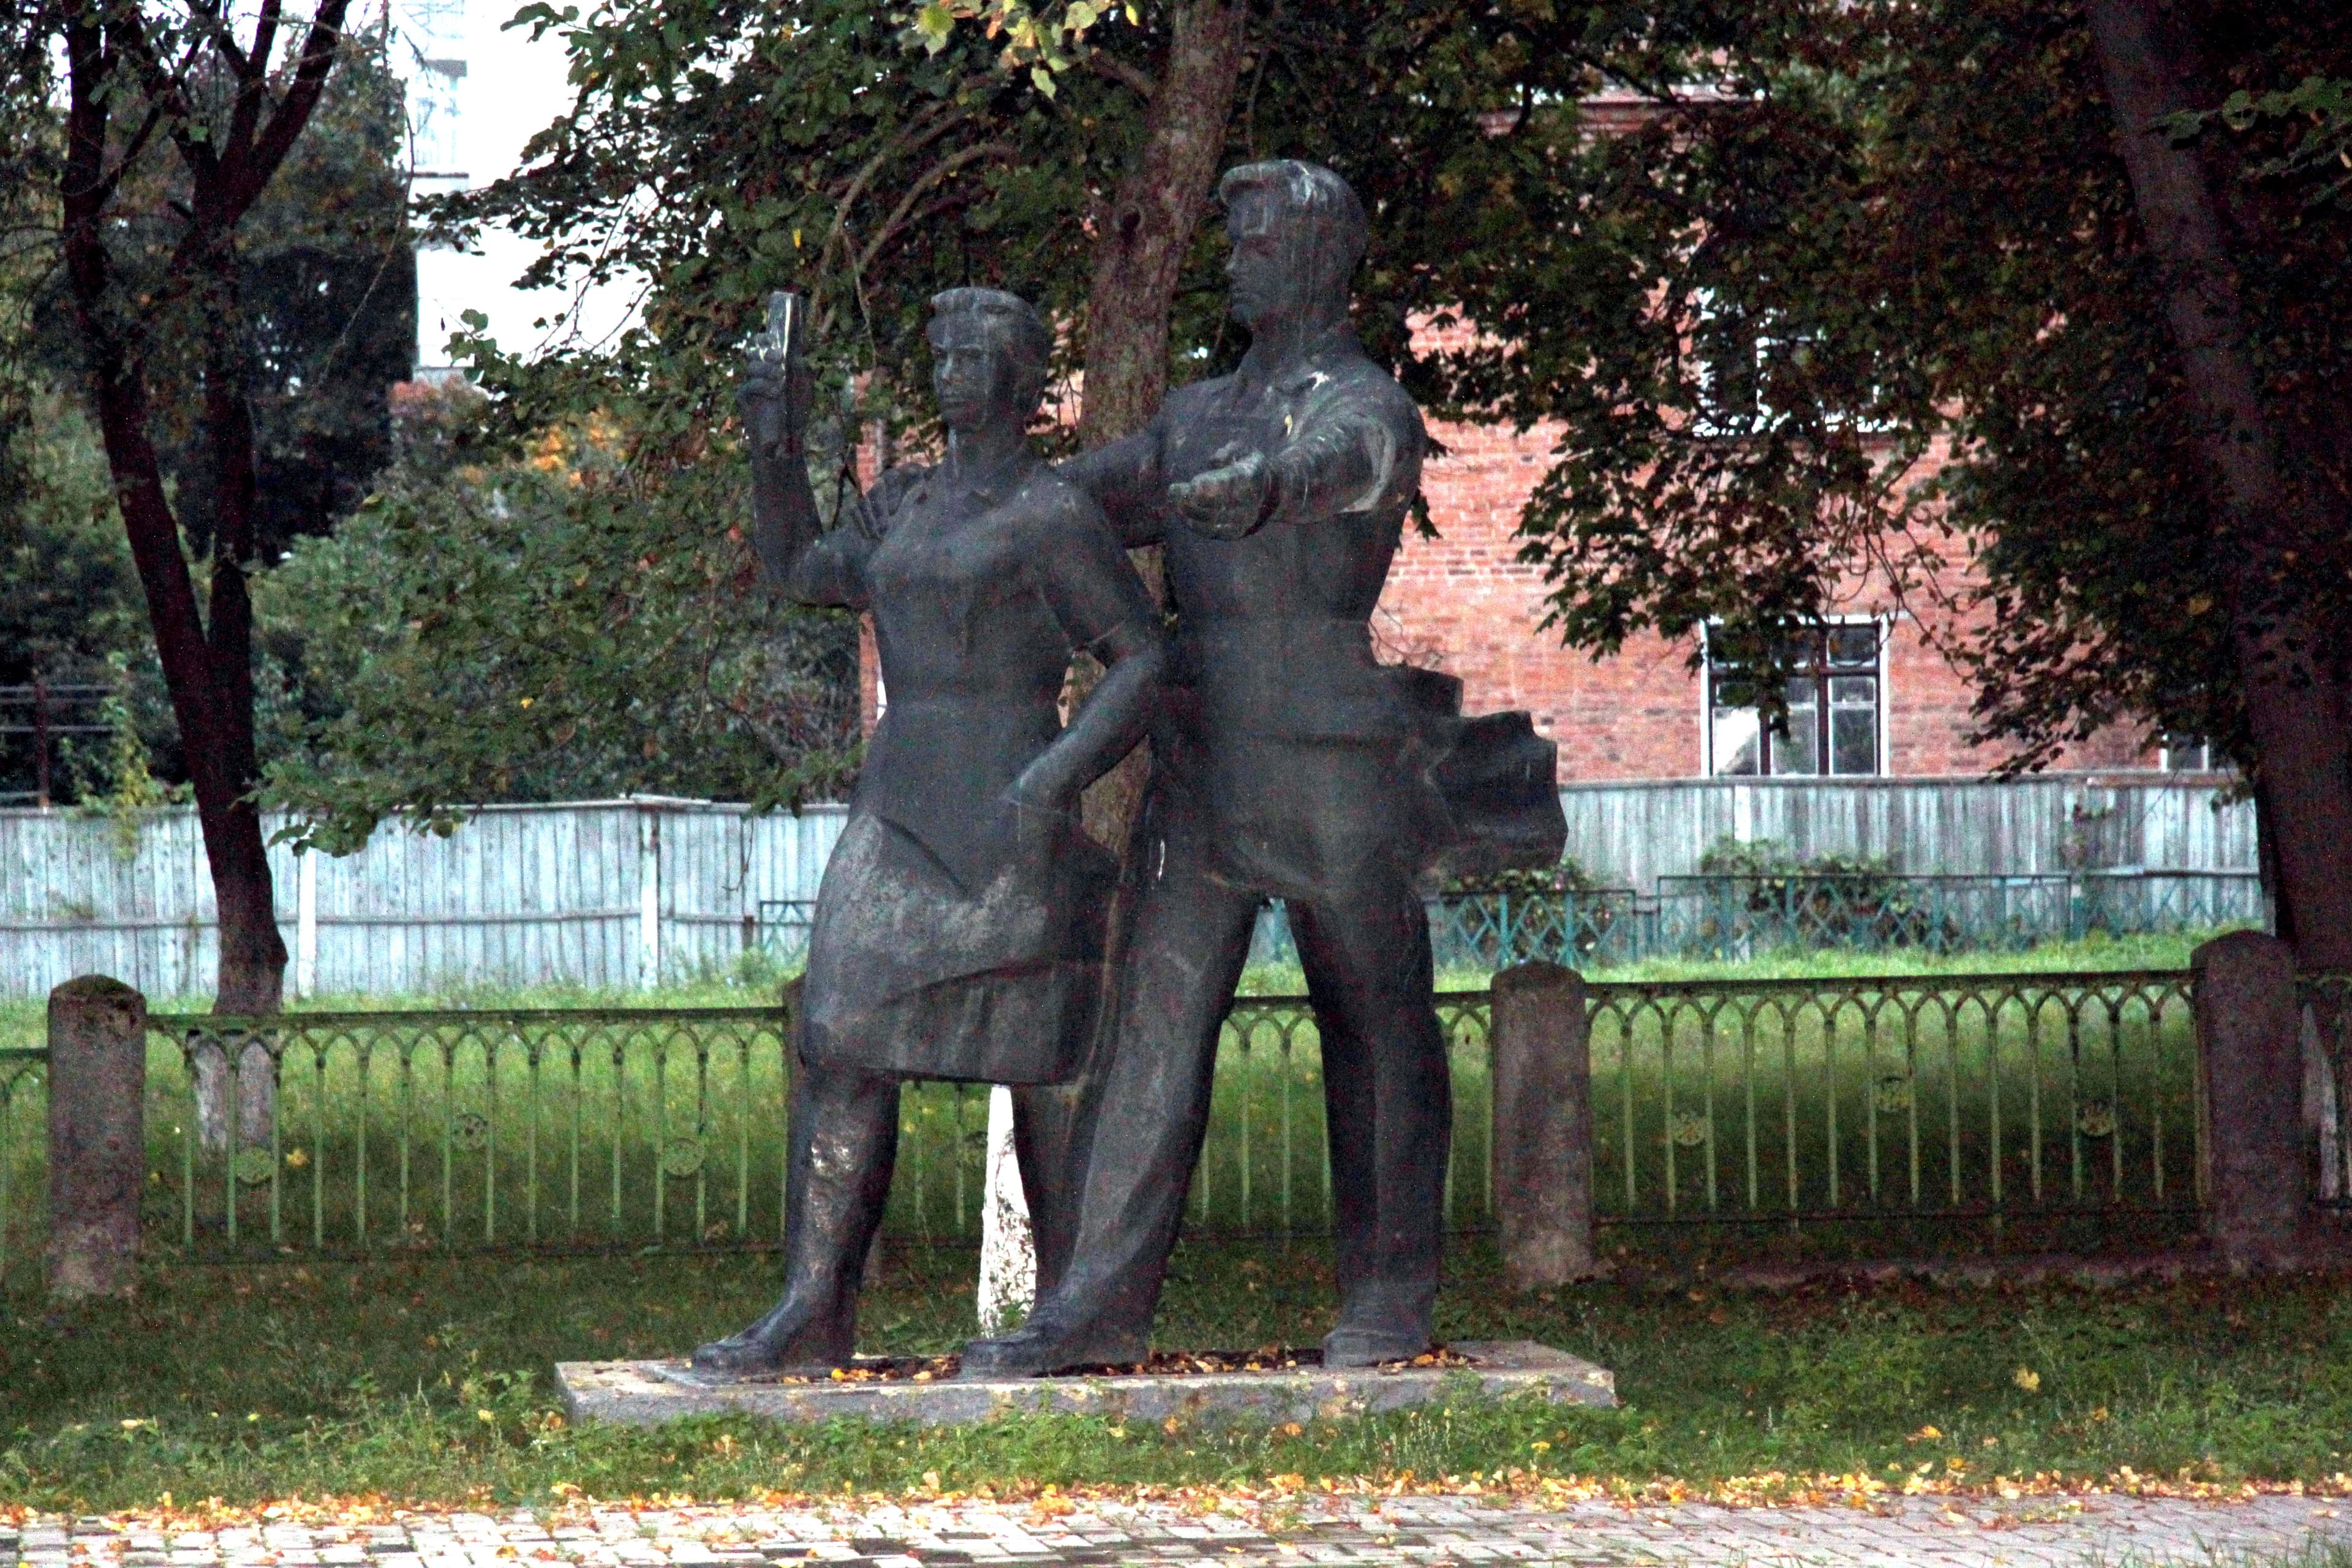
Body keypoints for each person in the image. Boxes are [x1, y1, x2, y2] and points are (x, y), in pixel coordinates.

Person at [965, 161, 1480, 1376]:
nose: (1233, 256)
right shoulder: (1196, 415)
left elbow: (1349, 463)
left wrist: (1270, 486)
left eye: (1254, 239)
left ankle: (1390, 1289)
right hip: (1206, 759)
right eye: (1233, 237)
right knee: (1151, 1024)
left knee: (1376, 1021)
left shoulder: (1367, 403)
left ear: (1317, 256)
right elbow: (1085, 497)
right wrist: (972, 500)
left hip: (1334, 762)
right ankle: (1091, 1304)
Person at [693, 287, 1166, 1378]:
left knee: (1042, 1059)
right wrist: (776, 446)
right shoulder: (904, 503)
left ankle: (1070, 1310)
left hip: (1008, 806)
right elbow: (801, 570)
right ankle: (813, 1308)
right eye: (941, 348)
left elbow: (1141, 657)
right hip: (901, 801)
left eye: (977, 351)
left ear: (1021, 376)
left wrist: (1054, 782)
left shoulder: (1051, 514)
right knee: (840, 1035)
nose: (952, 367)